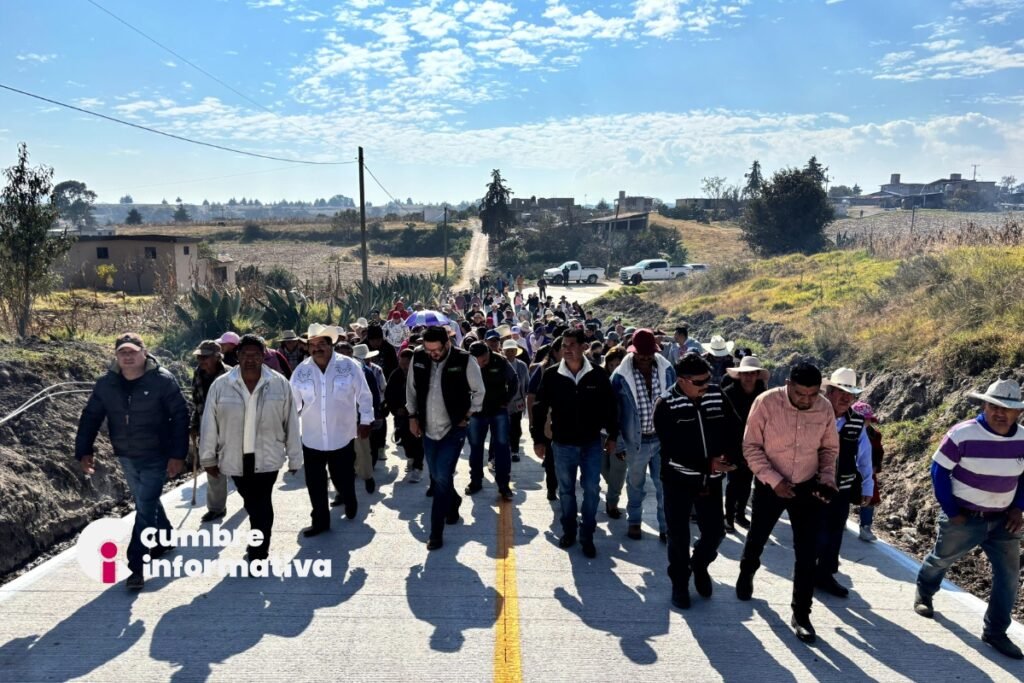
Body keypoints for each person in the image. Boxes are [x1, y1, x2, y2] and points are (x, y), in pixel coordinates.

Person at [914, 379, 1024, 660]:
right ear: (984, 405)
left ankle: (995, 632)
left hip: (1004, 521)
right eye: (994, 406)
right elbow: (939, 472)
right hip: (965, 517)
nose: (1000, 413)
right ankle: (925, 591)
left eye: (1007, 408)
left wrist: (1019, 507)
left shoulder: (1022, 439)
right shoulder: (962, 434)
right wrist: (952, 511)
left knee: (1009, 576)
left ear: (1018, 412)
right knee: (941, 559)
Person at [75, 333, 189, 590]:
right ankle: (165, 538)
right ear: (116, 356)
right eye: (122, 352)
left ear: (144, 353)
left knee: (144, 507)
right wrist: (84, 450)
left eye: (132, 352)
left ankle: (136, 566)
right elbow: (91, 416)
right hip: (125, 454)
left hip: (156, 454)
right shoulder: (106, 384)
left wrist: (178, 455)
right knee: (145, 499)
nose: (127, 357)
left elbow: (180, 416)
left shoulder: (162, 381)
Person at [736, 362, 838, 644]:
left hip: (807, 487)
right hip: (770, 484)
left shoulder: (824, 408)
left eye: (813, 394)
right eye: (800, 394)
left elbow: (829, 448)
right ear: (788, 385)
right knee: (757, 537)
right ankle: (747, 572)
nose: (806, 400)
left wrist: (827, 478)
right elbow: (750, 446)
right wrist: (774, 480)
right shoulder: (766, 403)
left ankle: (801, 614)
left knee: (807, 553)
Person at [200, 334, 302, 567]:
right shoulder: (221, 385)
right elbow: (209, 423)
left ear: (263, 356)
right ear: (237, 356)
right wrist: (208, 458)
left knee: (262, 502)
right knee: (252, 502)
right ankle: (258, 539)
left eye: (255, 355)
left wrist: (295, 458)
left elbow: (291, 422)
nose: (250, 359)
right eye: (245, 354)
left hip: (268, 455)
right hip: (235, 456)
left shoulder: (279, 383)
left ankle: (259, 551)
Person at [654, 352, 742, 609]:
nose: (706, 385)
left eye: (708, 379)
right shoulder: (666, 404)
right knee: (678, 536)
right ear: (682, 380)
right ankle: (680, 583)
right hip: (678, 480)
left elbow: (735, 428)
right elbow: (672, 449)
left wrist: (731, 456)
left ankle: (700, 564)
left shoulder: (716, 394)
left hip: (711, 481)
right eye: (700, 382)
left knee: (715, 532)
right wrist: (707, 464)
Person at [531, 329, 618, 558]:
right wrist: (538, 439)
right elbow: (539, 408)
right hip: (562, 445)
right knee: (566, 491)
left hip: (591, 444)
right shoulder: (552, 375)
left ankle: (587, 534)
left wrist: (613, 436)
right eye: (564, 345)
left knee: (592, 489)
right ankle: (569, 530)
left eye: (571, 345)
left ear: (583, 347)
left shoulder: (598, 375)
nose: (567, 349)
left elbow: (610, 407)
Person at [291, 324, 373, 536]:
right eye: (312, 344)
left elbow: (364, 395)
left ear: (331, 345)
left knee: (342, 478)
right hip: (312, 438)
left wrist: (366, 420)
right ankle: (320, 521)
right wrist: (288, 432)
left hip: (341, 436)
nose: (317, 348)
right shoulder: (301, 372)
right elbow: (292, 405)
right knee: (315, 483)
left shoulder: (349, 366)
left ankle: (349, 497)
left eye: (321, 344)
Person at [407, 326, 485, 550]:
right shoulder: (418, 357)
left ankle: (435, 533)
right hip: (427, 428)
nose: (432, 354)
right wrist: (412, 416)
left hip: (453, 429)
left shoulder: (464, 359)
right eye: (428, 350)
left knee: (441, 478)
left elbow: (479, 391)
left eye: (437, 350)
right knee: (437, 475)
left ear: (447, 344)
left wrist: (467, 415)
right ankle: (454, 502)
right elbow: (411, 389)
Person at [609, 329, 675, 542]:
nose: (645, 358)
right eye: (641, 355)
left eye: (649, 354)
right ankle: (634, 522)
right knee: (635, 484)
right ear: (633, 352)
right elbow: (614, 412)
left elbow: (675, 403)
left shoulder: (667, 371)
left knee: (663, 484)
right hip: (634, 441)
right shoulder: (620, 377)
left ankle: (666, 527)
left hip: (661, 439)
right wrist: (619, 442)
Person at [815, 368, 874, 598]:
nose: (846, 398)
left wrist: (867, 487)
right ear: (829, 392)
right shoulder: (813, 415)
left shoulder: (857, 422)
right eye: (841, 392)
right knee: (813, 531)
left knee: (834, 532)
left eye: (850, 394)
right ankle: (807, 573)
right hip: (814, 486)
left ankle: (825, 575)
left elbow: (865, 458)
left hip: (842, 489)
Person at [722, 355, 769, 532]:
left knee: (747, 482)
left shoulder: (763, 395)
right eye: (745, 373)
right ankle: (728, 517)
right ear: (739, 375)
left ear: (757, 375)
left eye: (752, 373)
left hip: (755, 444)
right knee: (733, 483)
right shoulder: (728, 393)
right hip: (732, 444)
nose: (748, 377)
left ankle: (740, 514)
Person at [466, 341, 517, 500]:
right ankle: (475, 481)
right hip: (476, 412)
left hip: (498, 411)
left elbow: (514, 380)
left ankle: (503, 485)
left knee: (502, 447)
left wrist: (506, 400)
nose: (482, 364)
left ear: (488, 353)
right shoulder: (466, 362)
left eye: (484, 360)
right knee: (476, 447)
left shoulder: (500, 360)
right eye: (478, 362)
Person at [190, 340, 230, 524]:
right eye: (199, 357)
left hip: (230, 427)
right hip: (207, 428)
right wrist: (194, 425)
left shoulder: (231, 375)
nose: (201, 361)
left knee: (240, 469)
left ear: (217, 357)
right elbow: (197, 402)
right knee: (212, 467)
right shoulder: (198, 374)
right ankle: (216, 508)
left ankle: (253, 500)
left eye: (205, 357)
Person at [387, 347, 424, 482]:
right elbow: (389, 394)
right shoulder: (396, 374)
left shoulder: (420, 373)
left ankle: (418, 468)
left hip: (417, 414)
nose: (403, 366)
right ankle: (410, 458)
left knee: (418, 441)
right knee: (405, 441)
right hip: (402, 416)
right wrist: (396, 409)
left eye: (406, 363)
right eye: (401, 363)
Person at [599, 347, 628, 517]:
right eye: (611, 365)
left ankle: (612, 503)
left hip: (622, 435)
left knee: (618, 470)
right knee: (603, 467)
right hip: (601, 433)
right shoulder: (600, 380)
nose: (615, 368)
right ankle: (614, 490)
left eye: (618, 364)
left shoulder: (630, 384)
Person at [852, 401, 884, 542]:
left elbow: (879, 452)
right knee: (842, 495)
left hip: (868, 470)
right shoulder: (846, 430)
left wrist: (876, 466)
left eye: (867, 419)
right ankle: (839, 519)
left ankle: (865, 527)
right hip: (847, 469)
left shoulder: (875, 435)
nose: (865, 422)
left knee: (870, 497)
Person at [503, 339, 530, 464]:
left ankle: (515, 450)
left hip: (517, 401)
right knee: (503, 427)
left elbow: (527, 382)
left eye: (512, 350)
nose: (510, 353)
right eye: (508, 350)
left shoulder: (522, 365)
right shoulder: (500, 364)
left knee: (516, 427)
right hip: (502, 402)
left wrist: (526, 397)